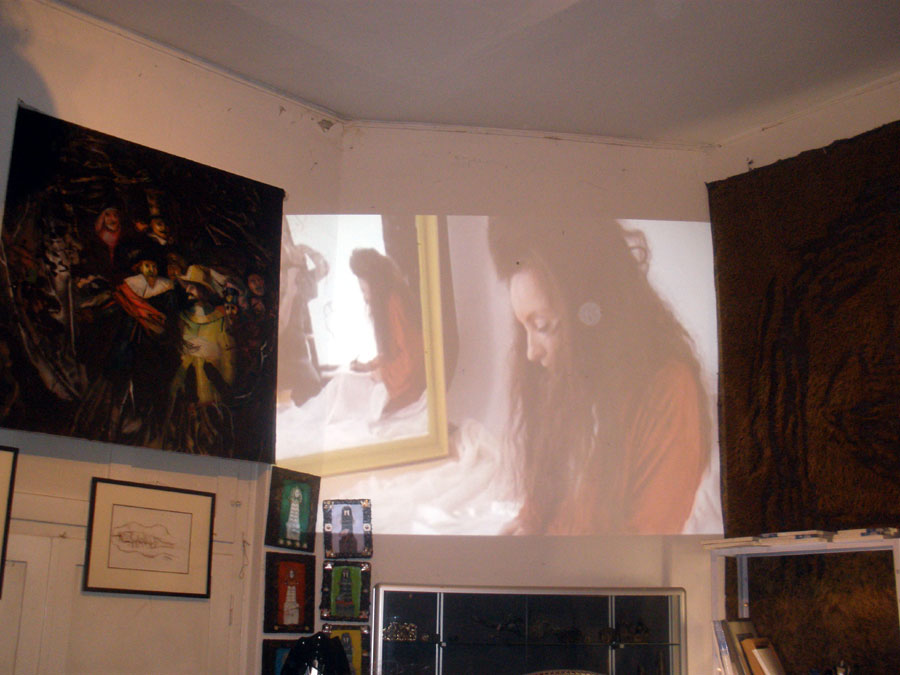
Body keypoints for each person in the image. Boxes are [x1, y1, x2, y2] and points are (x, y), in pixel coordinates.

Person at [488, 217, 709, 534]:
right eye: (524, 327)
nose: (531, 353)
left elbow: (645, 543)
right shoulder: (570, 381)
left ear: (592, 313)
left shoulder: (669, 390)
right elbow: (551, 494)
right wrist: (528, 523)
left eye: (543, 326)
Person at [348, 248, 425, 416]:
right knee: (346, 385)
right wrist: (369, 366)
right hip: (401, 381)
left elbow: (412, 356)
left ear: (375, 285)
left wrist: (384, 373)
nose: (364, 298)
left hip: (409, 387)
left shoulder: (394, 303)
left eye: (364, 291)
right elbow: (393, 352)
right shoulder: (389, 301)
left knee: (347, 391)